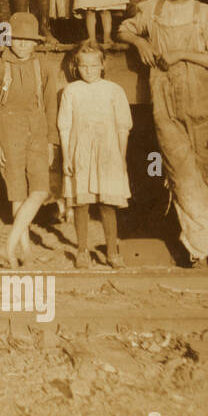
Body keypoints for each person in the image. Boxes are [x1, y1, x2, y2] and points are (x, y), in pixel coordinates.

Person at [117, 0, 208, 265]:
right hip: (164, 99)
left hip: (200, 98)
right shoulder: (153, 9)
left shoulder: (205, 14)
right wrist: (140, 41)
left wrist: (181, 53)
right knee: (180, 172)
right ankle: (199, 247)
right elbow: (123, 29)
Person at [0, 13, 60, 268]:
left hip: (37, 130)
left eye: (29, 40)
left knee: (39, 190)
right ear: (9, 39)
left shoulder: (44, 67)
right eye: (18, 39)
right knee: (17, 194)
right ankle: (24, 252)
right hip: (9, 131)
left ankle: (8, 245)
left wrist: (51, 142)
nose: (23, 45)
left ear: (36, 42)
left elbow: (50, 107)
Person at [57, 41, 132, 269]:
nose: (89, 70)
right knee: (81, 203)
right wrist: (67, 156)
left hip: (107, 153)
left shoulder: (114, 90)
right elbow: (65, 127)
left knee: (107, 204)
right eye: (83, 66)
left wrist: (121, 157)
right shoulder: (71, 91)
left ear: (102, 64)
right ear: (76, 67)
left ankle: (112, 251)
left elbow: (123, 127)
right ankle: (82, 251)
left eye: (93, 65)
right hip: (80, 152)